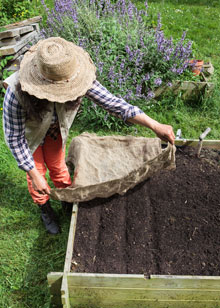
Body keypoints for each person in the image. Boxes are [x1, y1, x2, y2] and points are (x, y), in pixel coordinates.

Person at [3, 37, 175, 235]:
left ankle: (67, 199)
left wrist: (154, 125)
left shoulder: (76, 75)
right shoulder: (16, 94)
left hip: (54, 130)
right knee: (37, 174)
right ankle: (45, 208)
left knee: (58, 166)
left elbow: (114, 104)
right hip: (29, 136)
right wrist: (34, 175)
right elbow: (15, 138)